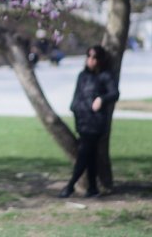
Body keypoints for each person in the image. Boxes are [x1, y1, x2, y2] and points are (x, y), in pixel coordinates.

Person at [59, 45, 119, 199]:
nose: (90, 61)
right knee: (90, 156)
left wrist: (101, 99)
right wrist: (75, 109)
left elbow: (114, 93)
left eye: (94, 58)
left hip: (95, 123)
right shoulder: (82, 76)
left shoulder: (105, 76)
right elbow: (76, 96)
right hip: (82, 121)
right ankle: (92, 188)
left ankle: (70, 186)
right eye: (89, 57)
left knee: (84, 154)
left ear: (100, 60)